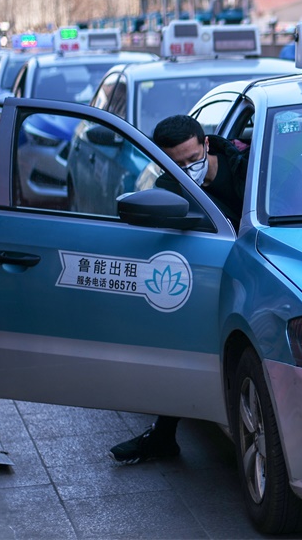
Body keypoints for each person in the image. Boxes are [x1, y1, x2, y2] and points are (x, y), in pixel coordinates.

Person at [109, 114, 248, 464]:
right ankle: (164, 434)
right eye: (177, 163)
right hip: (209, 277)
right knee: (182, 342)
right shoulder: (169, 188)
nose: (189, 168)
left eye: (193, 159)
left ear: (205, 144)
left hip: (258, 269)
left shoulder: (247, 167)